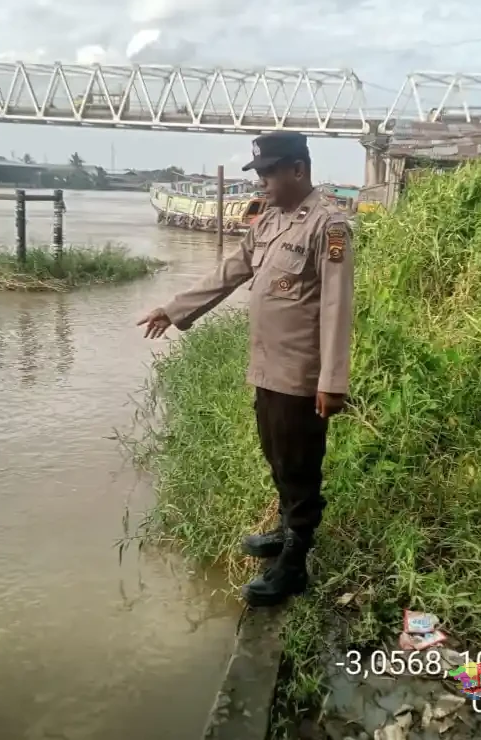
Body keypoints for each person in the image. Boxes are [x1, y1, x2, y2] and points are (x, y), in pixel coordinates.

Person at [137, 131, 355, 607]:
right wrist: (174, 311)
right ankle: (284, 530)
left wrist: (332, 381)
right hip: (266, 367)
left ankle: (294, 565)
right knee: (276, 455)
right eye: (258, 172)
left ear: (298, 169)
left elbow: (337, 307)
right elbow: (230, 271)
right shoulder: (269, 220)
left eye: (269, 171)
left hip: (301, 374)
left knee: (300, 466)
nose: (261, 180)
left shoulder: (330, 226)